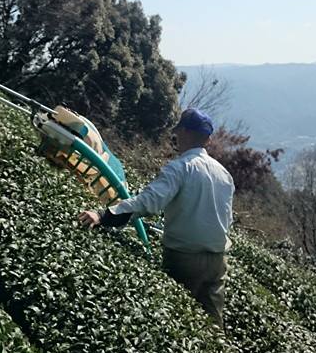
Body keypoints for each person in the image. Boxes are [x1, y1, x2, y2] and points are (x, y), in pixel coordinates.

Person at [78, 108, 235, 329]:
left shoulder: (180, 168)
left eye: (178, 131)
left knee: (178, 323)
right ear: (208, 139)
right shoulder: (224, 174)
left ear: (185, 132)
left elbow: (148, 203)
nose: (176, 137)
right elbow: (226, 219)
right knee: (212, 324)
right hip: (218, 261)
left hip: (185, 259)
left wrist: (103, 216)